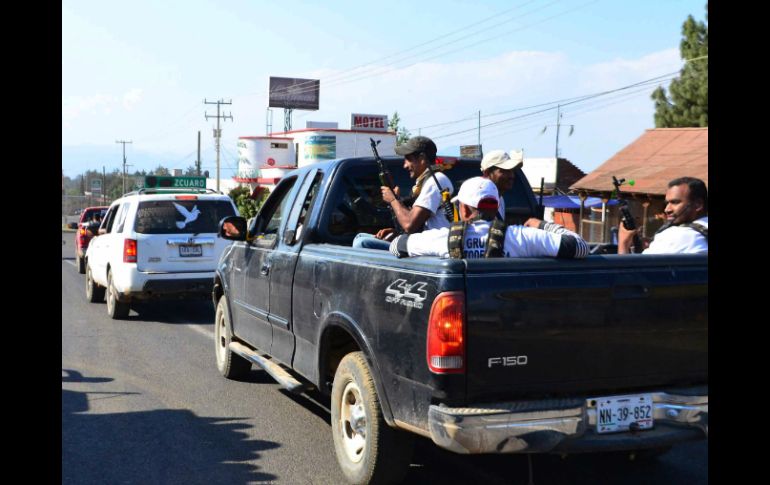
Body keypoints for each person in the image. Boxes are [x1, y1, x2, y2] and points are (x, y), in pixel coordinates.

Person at [388, 177, 589, 259]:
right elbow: (580, 246)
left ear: (464, 210)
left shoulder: (440, 239)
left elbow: (396, 246)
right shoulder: (521, 237)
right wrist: (542, 225)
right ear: (496, 207)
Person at [353, 136, 454, 249]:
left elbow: (409, 224)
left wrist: (393, 200)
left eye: (408, 159)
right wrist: (396, 232)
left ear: (422, 159)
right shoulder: (423, 183)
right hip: (423, 242)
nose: (405, 165)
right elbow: (417, 224)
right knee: (360, 237)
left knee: (362, 243)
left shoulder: (435, 181)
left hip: (432, 247)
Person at [618, 176, 708, 254]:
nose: (667, 209)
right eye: (667, 203)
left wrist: (623, 242)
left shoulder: (678, 235)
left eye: (675, 202)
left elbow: (633, 271)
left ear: (698, 204)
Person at [480, 149, 523, 221]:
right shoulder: (476, 200)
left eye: (512, 171)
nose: (512, 176)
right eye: (505, 171)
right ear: (487, 173)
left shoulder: (500, 200)